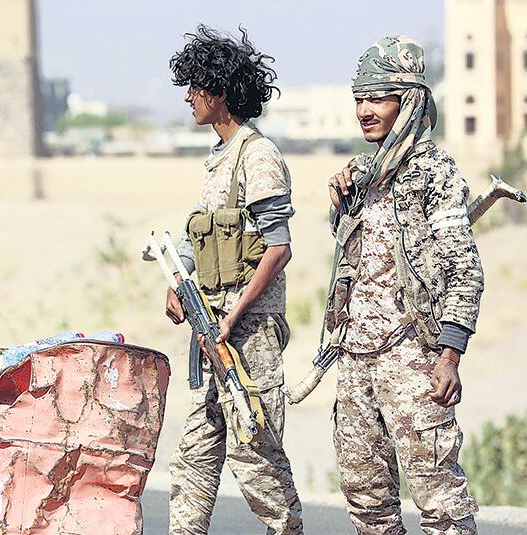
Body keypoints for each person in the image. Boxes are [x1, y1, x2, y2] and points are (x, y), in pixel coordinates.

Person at [326, 36, 482, 534]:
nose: (364, 110)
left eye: (377, 97)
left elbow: (464, 269)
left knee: (441, 503)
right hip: (355, 357)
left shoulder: (434, 172)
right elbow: (357, 260)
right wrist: (340, 204)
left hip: (412, 358)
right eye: (359, 99)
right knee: (366, 501)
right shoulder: (364, 175)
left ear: (408, 100)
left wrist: (450, 354)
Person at [165, 25, 303, 535]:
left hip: (248, 334)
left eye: (195, 86)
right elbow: (198, 233)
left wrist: (234, 315)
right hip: (213, 328)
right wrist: (180, 290)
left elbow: (278, 247)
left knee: (257, 456)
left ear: (219, 92)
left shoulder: (257, 155)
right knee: (194, 457)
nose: (188, 97)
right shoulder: (217, 159)